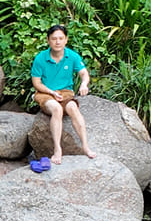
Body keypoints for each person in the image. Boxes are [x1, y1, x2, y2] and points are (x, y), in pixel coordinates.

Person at [28, 24, 98, 164]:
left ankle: (85, 146)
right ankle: (57, 149)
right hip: (45, 92)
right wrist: (51, 92)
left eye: (61, 38)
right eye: (54, 39)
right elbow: (36, 83)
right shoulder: (41, 58)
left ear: (66, 40)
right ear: (48, 40)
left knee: (72, 107)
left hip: (65, 92)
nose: (57, 42)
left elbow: (84, 73)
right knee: (56, 108)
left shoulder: (71, 56)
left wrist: (84, 84)